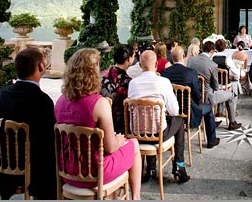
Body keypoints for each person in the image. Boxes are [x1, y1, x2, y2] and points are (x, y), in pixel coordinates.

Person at [54, 48, 142, 199]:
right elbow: (111, 147)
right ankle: (136, 198)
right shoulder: (99, 104)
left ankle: (112, 196)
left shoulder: (60, 102)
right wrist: (120, 141)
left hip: (68, 170)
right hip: (95, 172)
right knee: (133, 144)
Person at [0, 47, 57, 200]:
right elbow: (49, 142)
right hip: (33, 174)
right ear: (40, 67)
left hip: (1, 170)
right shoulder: (42, 101)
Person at [127, 50, 190, 184]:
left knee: (149, 121)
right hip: (158, 134)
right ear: (156, 64)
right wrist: (165, 110)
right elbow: (175, 111)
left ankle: (151, 169)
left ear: (140, 65)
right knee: (179, 119)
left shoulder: (132, 83)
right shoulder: (163, 82)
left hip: (137, 134)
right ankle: (179, 165)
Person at [160, 46, 221, 149]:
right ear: (183, 56)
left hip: (170, 112)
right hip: (188, 111)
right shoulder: (190, 73)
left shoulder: (164, 73)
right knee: (208, 108)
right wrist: (197, 102)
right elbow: (197, 95)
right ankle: (211, 140)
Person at [188, 41, 242, 130]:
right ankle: (232, 122)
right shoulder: (212, 65)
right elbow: (216, 87)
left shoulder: (191, 60)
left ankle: (215, 117)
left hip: (194, 94)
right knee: (232, 94)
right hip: (207, 96)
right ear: (212, 51)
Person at [100, 44, 135, 133]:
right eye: (133, 55)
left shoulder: (103, 75)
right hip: (120, 125)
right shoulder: (128, 81)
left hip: (101, 119)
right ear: (129, 59)